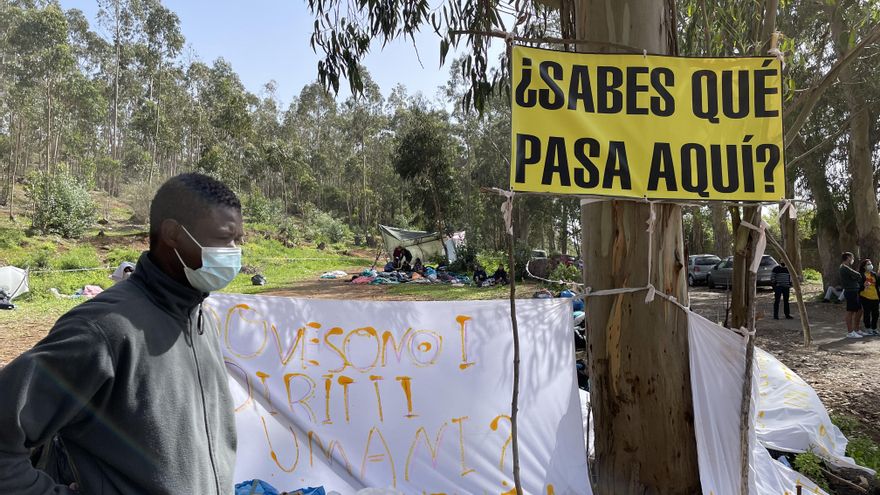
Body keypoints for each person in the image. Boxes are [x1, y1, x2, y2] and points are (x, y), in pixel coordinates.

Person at [0, 173, 242, 494]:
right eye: (224, 239)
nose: (235, 252)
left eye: (239, 240)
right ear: (172, 234)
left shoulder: (200, 319)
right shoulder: (103, 328)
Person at [840, 251, 865, 338]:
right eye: (852, 257)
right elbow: (857, 275)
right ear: (848, 257)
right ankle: (850, 332)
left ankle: (856, 329)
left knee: (859, 310)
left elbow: (856, 276)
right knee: (850, 311)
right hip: (850, 291)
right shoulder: (844, 268)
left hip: (854, 291)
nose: (852, 259)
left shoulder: (846, 268)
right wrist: (856, 278)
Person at [859, 259, 880, 336]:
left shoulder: (874, 274)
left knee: (876, 314)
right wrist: (863, 285)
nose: (870, 265)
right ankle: (868, 328)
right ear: (864, 266)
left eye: (870, 263)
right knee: (867, 313)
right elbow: (859, 285)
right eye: (868, 264)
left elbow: (878, 284)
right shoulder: (861, 274)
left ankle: (874, 328)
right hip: (865, 296)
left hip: (875, 297)